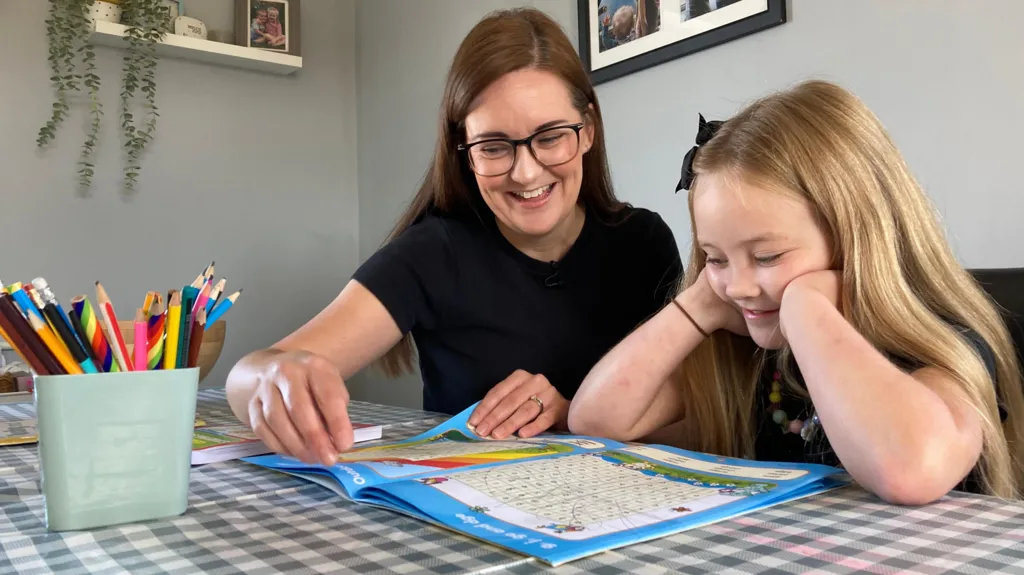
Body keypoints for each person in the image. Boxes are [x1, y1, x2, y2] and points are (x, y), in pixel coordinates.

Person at [225, 8, 682, 467]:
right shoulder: (434, 252)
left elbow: (698, 418)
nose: (525, 172)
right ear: (465, 152)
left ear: (588, 131)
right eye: (494, 147)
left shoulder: (644, 244)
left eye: (550, 137)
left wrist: (575, 416)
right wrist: (274, 377)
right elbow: (251, 373)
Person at [568, 80, 1024, 504]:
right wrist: (699, 304)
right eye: (717, 258)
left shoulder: (942, 348)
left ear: (856, 239)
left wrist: (808, 306)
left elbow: (909, 470)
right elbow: (597, 422)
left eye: (767, 257)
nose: (739, 287)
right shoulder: (755, 358)